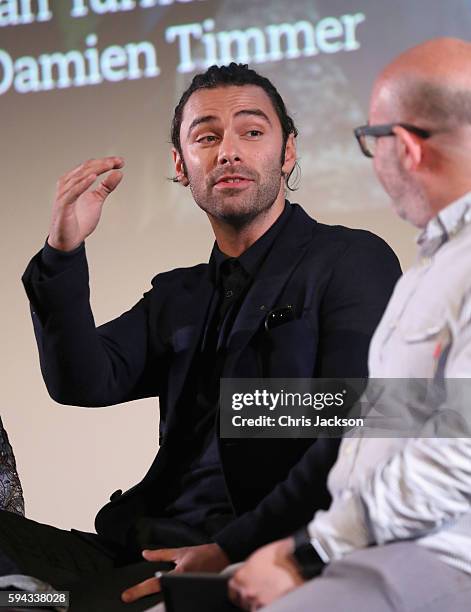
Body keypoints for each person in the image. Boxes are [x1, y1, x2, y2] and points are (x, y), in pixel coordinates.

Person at [10, 63, 400, 611]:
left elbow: (361, 421)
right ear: (180, 164)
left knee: (57, 606)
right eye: (206, 137)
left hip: (253, 555)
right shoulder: (179, 294)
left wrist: (229, 548)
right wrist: (63, 254)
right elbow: (81, 381)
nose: (229, 151)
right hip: (139, 548)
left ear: (288, 152)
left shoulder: (350, 260)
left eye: (252, 132)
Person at [229, 38, 471, 612]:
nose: (229, 155)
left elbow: (457, 453)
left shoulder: (358, 260)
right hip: (359, 546)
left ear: (406, 146)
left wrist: (303, 553)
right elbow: (382, 425)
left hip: (436, 556)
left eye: (371, 140)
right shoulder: (428, 270)